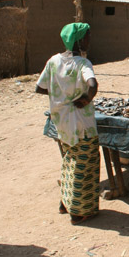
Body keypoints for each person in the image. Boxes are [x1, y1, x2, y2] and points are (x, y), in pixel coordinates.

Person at [35, 23, 100, 225]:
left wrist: (59, 95)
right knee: (84, 165)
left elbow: (39, 87)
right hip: (82, 125)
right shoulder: (82, 63)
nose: (89, 39)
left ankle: (66, 201)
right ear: (79, 40)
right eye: (87, 36)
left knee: (69, 161)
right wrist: (85, 99)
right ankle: (80, 212)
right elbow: (92, 85)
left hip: (61, 122)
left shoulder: (53, 61)